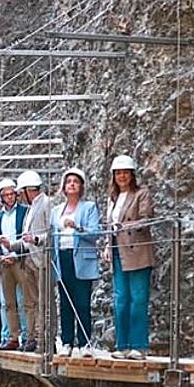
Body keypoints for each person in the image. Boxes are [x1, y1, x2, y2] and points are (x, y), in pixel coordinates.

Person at [103, 154, 155, 360]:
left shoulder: (141, 194)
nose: (121, 176)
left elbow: (146, 219)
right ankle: (122, 344)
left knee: (138, 298)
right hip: (118, 251)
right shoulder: (112, 198)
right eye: (118, 173)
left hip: (137, 251)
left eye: (125, 172)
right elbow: (109, 226)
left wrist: (123, 226)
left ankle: (139, 345)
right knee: (121, 299)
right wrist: (108, 245)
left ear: (132, 174)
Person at [50, 167, 101, 357]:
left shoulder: (88, 208)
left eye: (76, 181)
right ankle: (67, 341)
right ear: (63, 187)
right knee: (65, 302)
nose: (72, 184)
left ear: (81, 187)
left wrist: (77, 227)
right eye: (69, 181)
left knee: (82, 302)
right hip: (62, 257)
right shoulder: (56, 211)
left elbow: (95, 233)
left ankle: (85, 342)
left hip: (81, 258)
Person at [3, 170, 49, 352]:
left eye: (22, 193)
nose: (20, 197)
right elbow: (25, 238)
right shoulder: (31, 208)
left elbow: (50, 232)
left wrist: (36, 240)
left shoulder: (45, 203)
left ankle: (42, 338)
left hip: (41, 259)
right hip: (29, 260)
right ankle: (31, 338)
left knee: (42, 301)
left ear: (29, 190)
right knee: (30, 302)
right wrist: (11, 245)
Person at [0, 177, 28, 350]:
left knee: (24, 300)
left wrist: (16, 254)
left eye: (11, 194)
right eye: (6, 195)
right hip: (4, 261)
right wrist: (0, 255)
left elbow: (26, 235)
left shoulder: (24, 212)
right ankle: (12, 337)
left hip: (20, 259)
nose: (9, 197)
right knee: (8, 302)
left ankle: (27, 336)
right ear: (1, 197)